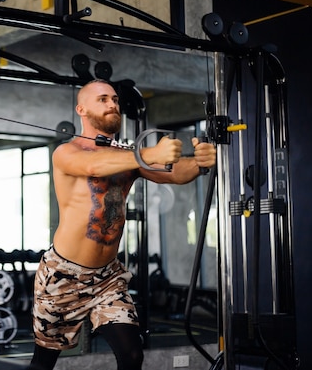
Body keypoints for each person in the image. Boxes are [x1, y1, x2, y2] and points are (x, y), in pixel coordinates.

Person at [30, 79, 216, 370]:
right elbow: (93, 166)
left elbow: (174, 173)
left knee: (131, 355)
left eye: (115, 100)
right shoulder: (66, 153)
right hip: (63, 275)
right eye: (103, 99)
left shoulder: (127, 156)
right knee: (44, 363)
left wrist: (200, 163)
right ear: (81, 108)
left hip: (107, 278)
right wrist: (149, 154)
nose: (112, 104)